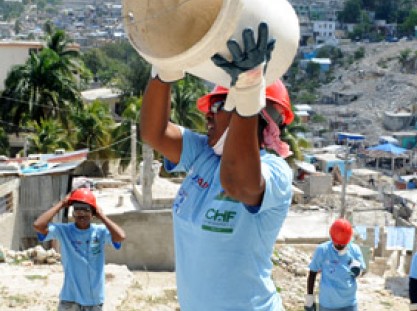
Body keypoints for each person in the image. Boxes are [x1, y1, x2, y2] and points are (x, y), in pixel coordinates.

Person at [140, 22, 294, 310]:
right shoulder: (204, 156)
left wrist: (248, 89)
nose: (208, 116)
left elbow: (238, 182)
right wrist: (164, 68)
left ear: (252, 112)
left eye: (218, 106)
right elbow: (154, 132)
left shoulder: (276, 173)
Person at [33, 187, 126, 311]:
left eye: (86, 210)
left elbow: (120, 236)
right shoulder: (64, 231)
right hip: (70, 299)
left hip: (94, 300)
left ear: (93, 214)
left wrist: (102, 215)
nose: (81, 215)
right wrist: (61, 204)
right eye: (77, 210)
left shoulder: (100, 232)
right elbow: (38, 225)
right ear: (73, 213)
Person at [305, 219, 366, 311]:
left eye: (343, 244)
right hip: (327, 305)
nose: (340, 247)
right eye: (338, 244)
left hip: (348, 304)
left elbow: (361, 272)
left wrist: (356, 269)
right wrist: (309, 298)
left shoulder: (354, 250)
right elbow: (313, 273)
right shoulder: (323, 250)